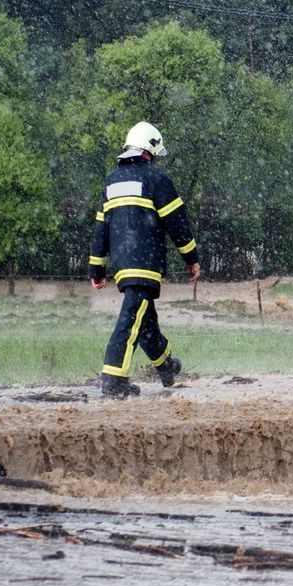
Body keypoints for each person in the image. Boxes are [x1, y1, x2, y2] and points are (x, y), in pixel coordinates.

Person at [89, 121, 200, 399]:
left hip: (122, 265)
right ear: (149, 149)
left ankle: (166, 367)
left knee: (145, 320)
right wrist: (191, 258)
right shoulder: (156, 179)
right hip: (146, 263)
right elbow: (177, 223)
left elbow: (101, 228)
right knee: (129, 320)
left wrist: (96, 268)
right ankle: (113, 380)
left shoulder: (112, 181)